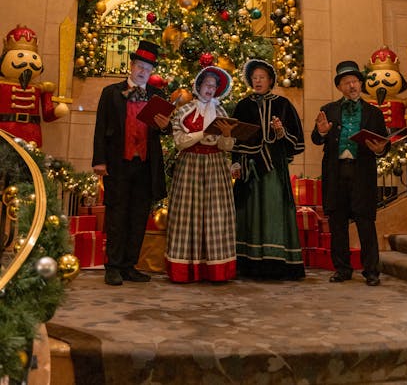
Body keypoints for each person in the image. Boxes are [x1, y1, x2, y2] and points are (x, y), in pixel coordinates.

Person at [92, 40, 171, 286]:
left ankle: (129, 265)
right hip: (118, 163)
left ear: (151, 73)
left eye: (147, 69)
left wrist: (164, 125)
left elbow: (165, 129)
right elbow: (100, 128)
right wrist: (99, 161)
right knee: (117, 215)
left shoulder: (156, 96)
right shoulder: (111, 93)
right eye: (139, 66)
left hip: (146, 166)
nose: (142, 72)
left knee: (138, 216)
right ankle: (113, 266)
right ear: (132, 66)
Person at [311, 60, 389, 286]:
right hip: (336, 173)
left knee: (365, 223)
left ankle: (371, 271)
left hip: (362, 172)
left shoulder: (373, 112)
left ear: (361, 84)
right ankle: (343, 269)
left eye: (354, 81)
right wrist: (321, 132)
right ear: (339, 87)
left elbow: (384, 142)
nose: (351, 86)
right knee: (337, 223)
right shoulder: (329, 110)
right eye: (346, 82)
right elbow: (316, 139)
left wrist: (381, 148)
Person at [232, 58, 305, 280]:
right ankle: (249, 263)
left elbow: (297, 141)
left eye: (262, 77)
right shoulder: (242, 106)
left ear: (271, 80)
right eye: (254, 78)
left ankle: (275, 263)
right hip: (250, 170)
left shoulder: (283, 105)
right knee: (251, 212)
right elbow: (234, 137)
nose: (258, 81)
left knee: (272, 211)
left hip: (274, 168)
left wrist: (281, 131)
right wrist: (236, 162)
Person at [165, 66, 237, 283]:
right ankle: (184, 269)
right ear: (198, 86)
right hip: (190, 166)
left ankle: (216, 269)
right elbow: (179, 141)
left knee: (217, 215)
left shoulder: (222, 113)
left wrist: (226, 135)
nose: (210, 89)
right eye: (207, 84)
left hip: (216, 167)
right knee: (187, 216)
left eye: (214, 86)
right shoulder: (184, 111)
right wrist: (202, 134)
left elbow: (226, 146)